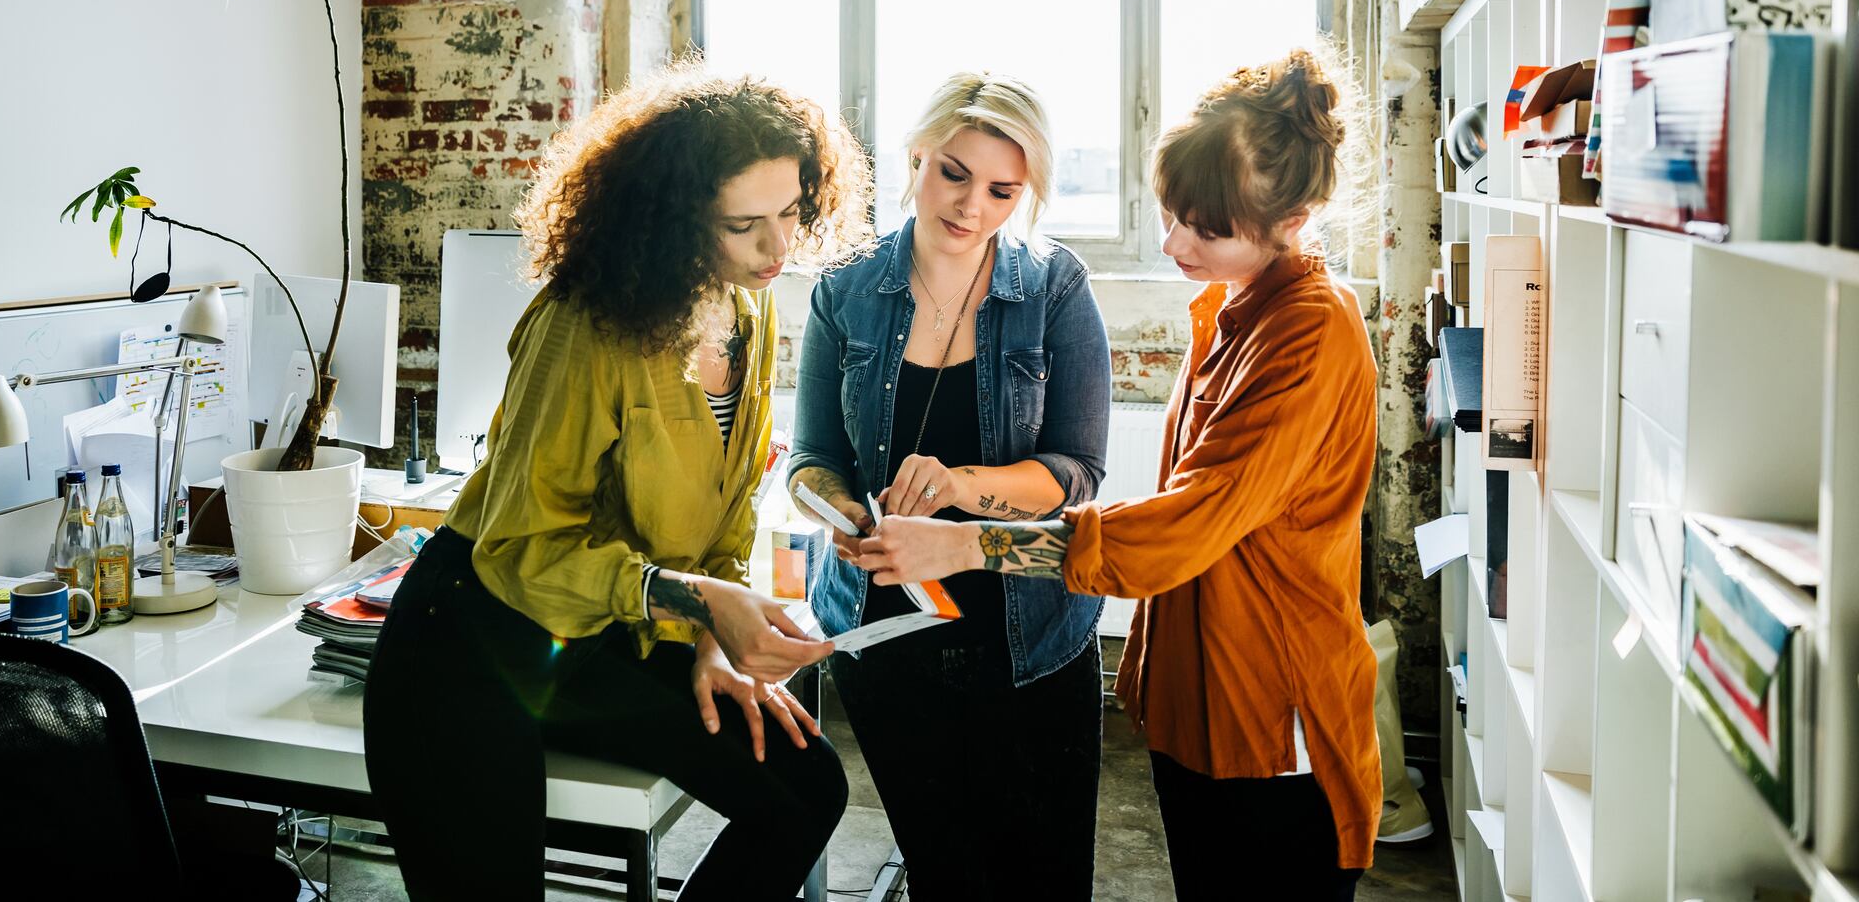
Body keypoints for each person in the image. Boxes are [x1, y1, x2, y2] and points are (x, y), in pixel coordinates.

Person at [853, 49, 1381, 901]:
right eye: (1170, 214)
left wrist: (964, 547)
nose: (1173, 243)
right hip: (1198, 694)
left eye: (1204, 229)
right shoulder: (1235, 306)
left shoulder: (1308, 332)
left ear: (1297, 217)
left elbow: (1183, 526)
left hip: (1268, 708)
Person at [363, 63, 873, 901]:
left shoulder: (749, 303)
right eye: (744, 224)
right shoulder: (585, 323)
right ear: (670, 221)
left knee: (804, 787)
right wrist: (701, 602)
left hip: (615, 622)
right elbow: (522, 549)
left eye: (791, 213)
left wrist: (716, 633)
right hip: (476, 634)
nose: (778, 249)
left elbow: (729, 501)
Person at [788, 72, 1110, 902]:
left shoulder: (1053, 289)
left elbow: (1076, 472)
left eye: (1003, 189)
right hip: (882, 633)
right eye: (953, 173)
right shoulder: (845, 288)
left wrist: (959, 482)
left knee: (1043, 875)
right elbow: (810, 458)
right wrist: (844, 512)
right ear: (917, 156)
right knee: (944, 870)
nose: (970, 206)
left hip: (1031, 636)